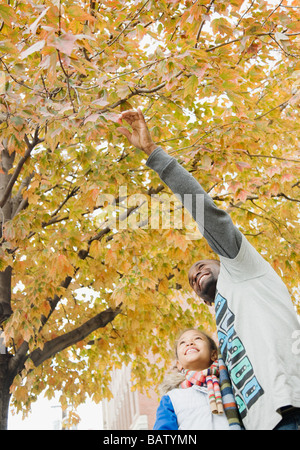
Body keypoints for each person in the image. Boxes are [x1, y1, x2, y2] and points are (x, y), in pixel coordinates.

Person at [117, 108, 300, 430]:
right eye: (191, 279)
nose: (195, 273)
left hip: (291, 407)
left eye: (203, 264)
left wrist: (154, 154)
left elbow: (208, 212)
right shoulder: (224, 318)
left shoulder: (242, 270)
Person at [153, 328, 240, 430]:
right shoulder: (172, 398)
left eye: (197, 338)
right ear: (179, 364)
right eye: (182, 342)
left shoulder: (230, 385)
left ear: (214, 354)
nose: (189, 343)